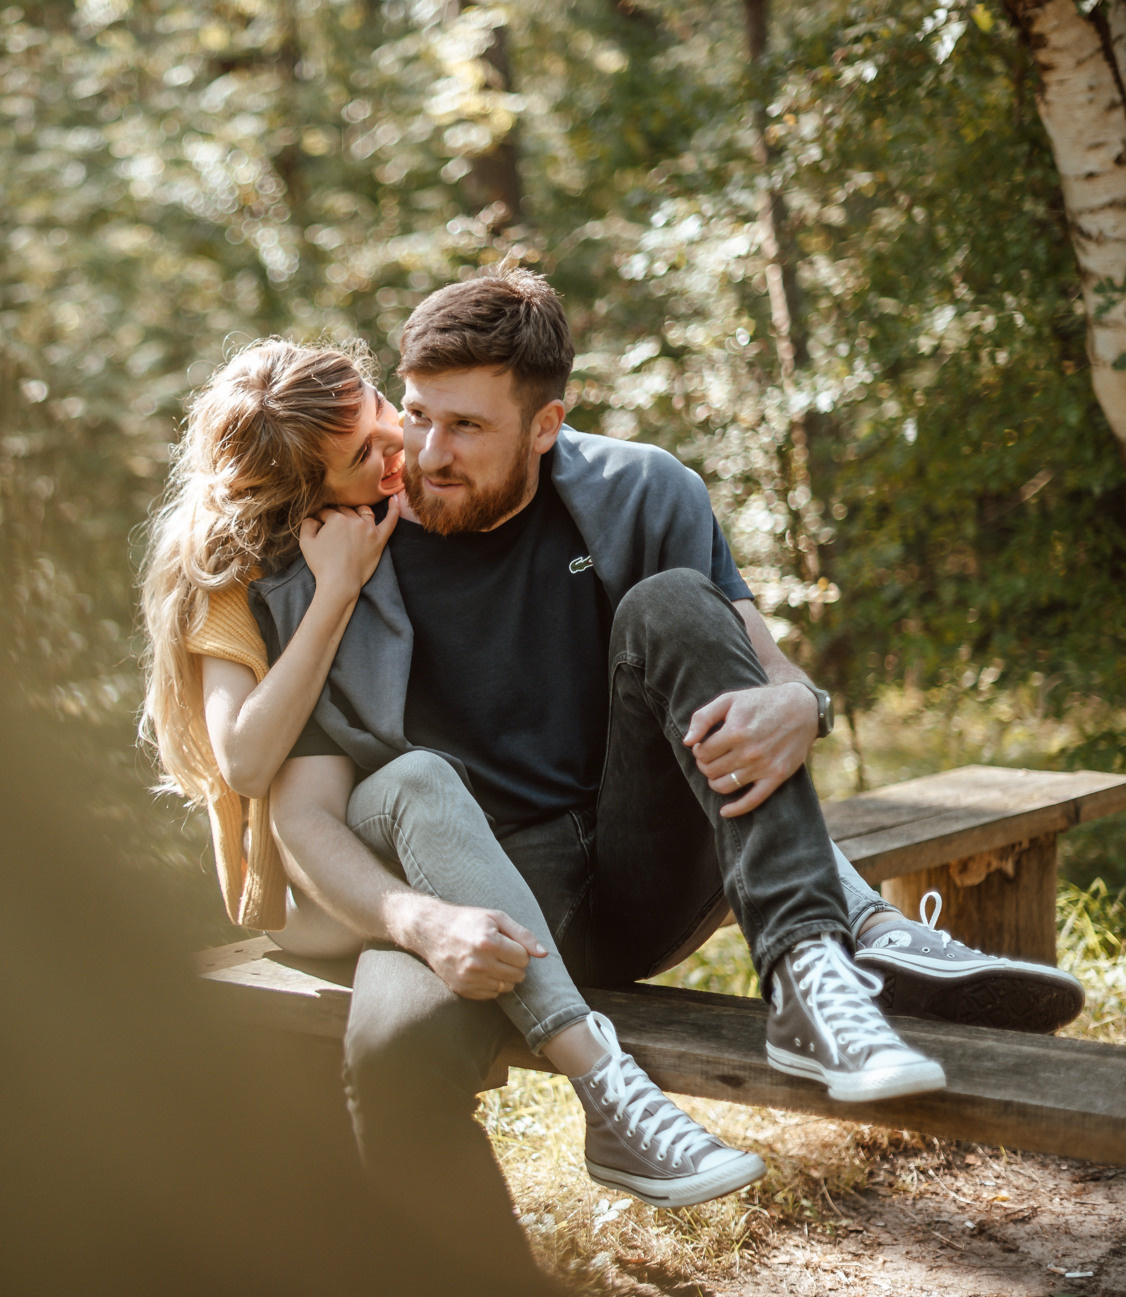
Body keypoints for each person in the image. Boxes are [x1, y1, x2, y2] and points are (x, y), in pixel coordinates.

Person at [256, 268, 1087, 1248]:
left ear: (546, 423)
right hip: (472, 888)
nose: (428, 453)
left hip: (643, 864)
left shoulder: (640, 490)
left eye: (469, 429)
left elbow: (762, 667)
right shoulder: (334, 554)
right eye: (420, 413)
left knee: (672, 600)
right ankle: (850, 920)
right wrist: (415, 919)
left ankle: (808, 967)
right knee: (393, 1055)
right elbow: (300, 811)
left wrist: (802, 704)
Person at [139, 337, 766, 1230]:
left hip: (422, 833)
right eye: (367, 454)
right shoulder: (245, 573)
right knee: (418, 780)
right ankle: (601, 1078)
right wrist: (334, 593)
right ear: (308, 495)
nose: (404, 447)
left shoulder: (382, 505)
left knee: (423, 783)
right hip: (310, 881)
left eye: (383, 411)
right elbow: (249, 768)